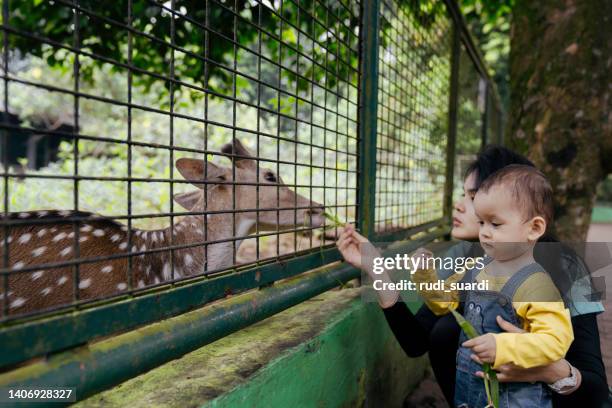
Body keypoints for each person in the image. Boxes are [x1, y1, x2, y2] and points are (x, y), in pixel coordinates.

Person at [336, 145, 608, 407]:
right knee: (446, 330)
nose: (460, 205)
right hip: (478, 392)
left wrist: (548, 370)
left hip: (554, 399)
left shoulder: (565, 266)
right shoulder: (466, 257)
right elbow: (417, 339)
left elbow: (595, 391)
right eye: (465, 196)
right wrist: (376, 268)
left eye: (473, 195)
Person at [412, 165, 573, 407]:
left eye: (495, 224)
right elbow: (443, 305)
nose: (484, 233)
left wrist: (503, 345)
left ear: (534, 228)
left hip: (516, 398)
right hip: (470, 388)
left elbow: (556, 340)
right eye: (482, 222)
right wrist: (425, 275)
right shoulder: (477, 268)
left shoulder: (536, 285)